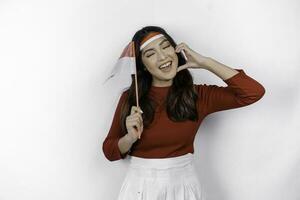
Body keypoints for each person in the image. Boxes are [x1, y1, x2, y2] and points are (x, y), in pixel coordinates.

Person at [102, 26, 265, 200]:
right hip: (139, 187)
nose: (163, 56)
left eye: (165, 46)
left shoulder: (197, 95)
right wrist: (129, 138)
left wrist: (206, 63)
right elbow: (109, 151)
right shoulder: (131, 98)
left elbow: (253, 92)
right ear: (143, 67)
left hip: (183, 186)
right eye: (151, 54)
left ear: (176, 50)